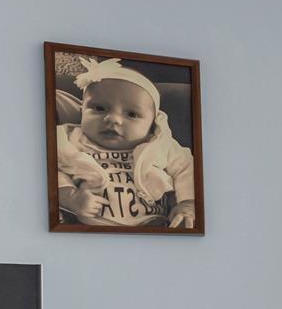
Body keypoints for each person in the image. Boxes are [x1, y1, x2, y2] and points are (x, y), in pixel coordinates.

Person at [56, 59, 197, 228]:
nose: (113, 119)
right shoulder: (70, 138)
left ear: (152, 123)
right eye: (99, 108)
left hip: (156, 223)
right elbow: (52, 168)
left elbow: (187, 168)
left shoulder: (160, 144)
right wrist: (70, 197)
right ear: (81, 111)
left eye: (132, 114)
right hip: (93, 227)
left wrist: (187, 203)